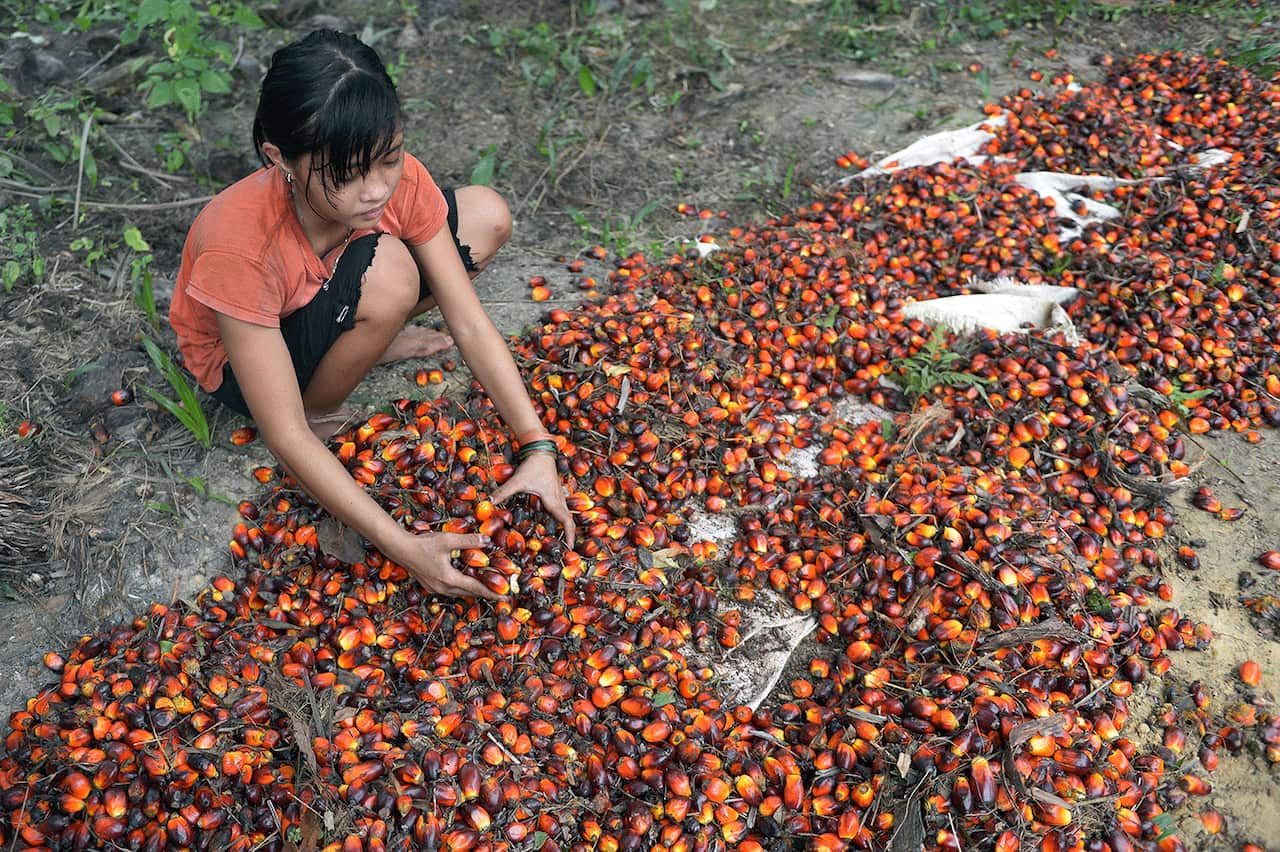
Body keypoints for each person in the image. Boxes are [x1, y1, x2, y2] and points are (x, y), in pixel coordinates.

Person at [168, 29, 575, 600]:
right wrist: (401, 544)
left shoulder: (390, 182)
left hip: (333, 289)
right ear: (279, 158)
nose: (376, 189)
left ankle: (367, 332)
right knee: (388, 273)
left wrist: (536, 445)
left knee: (485, 215)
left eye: (388, 158)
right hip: (247, 363)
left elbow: (469, 320)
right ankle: (327, 400)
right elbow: (280, 432)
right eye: (347, 173)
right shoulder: (241, 245)